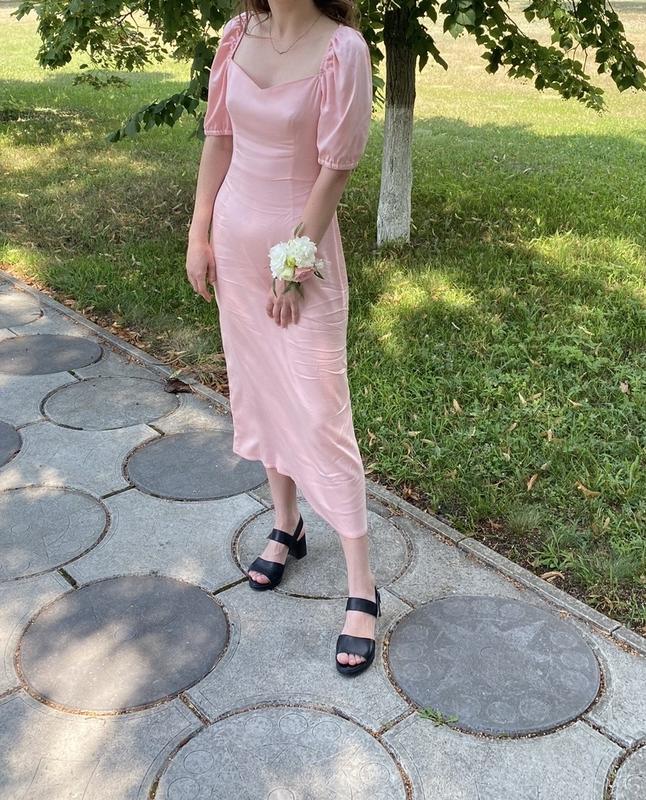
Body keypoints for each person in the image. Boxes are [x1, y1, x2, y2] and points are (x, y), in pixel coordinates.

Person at [186, 0, 379, 676]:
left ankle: (362, 584)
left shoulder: (343, 50)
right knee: (261, 391)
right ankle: (287, 523)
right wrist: (199, 233)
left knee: (322, 413)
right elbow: (219, 139)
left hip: (302, 261)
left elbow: (336, 169)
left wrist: (295, 264)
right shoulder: (237, 33)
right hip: (236, 252)